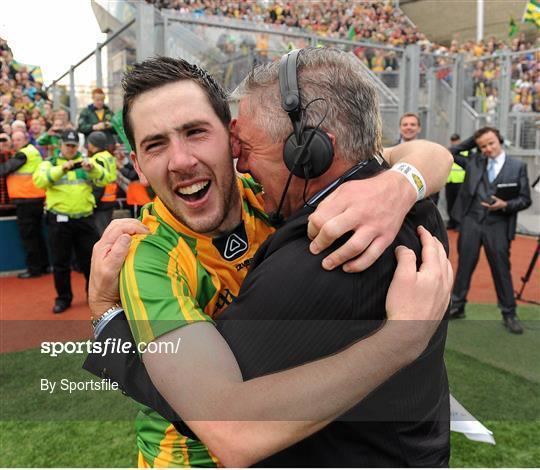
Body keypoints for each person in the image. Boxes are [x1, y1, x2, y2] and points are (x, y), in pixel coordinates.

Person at [85, 52, 453, 467]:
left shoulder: (271, 189)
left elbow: (431, 153)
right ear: (137, 165)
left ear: (231, 137)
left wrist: (399, 185)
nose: (182, 160)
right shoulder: (149, 257)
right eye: (155, 144)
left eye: (196, 132)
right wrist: (106, 321)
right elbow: (228, 430)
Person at [448, 126, 532, 334]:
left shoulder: (517, 166)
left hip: (498, 224)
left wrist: (505, 205)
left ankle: (509, 313)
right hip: (471, 221)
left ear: (500, 140)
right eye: (483, 145)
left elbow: (525, 199)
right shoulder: (474, 161)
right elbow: (451, 152)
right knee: (465, 265)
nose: (487, 148)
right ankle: (457, 306)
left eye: (491, 143)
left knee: (501, 269)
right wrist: (473, 140)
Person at [33, 130, 108, 313]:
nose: (70, 149)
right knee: (60, 263)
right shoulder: (49, 163)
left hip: (84, 219)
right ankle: (63, 298)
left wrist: (94, 169)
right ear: (61, 145)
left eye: (74, 146)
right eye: (67, 145)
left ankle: (94, 298)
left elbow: (105, 178)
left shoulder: (85, 163)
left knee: (91, 262)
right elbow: (39, 181)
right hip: (59, 220)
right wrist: (62, 169)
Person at [0, 130, 49, 278]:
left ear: (26, 139)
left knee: (29, 236)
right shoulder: (33, 151)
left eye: (18, 139)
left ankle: (34, 269)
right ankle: (44, 266)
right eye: (14, 140)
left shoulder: (24, 153)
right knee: (37, 235)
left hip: (26, 200)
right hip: (35, 199)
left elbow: (5, 169)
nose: (15, 142)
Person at [87, 131, 117, 235]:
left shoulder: (97, 159)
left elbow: (99, 182)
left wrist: (93, 202)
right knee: (107, 228)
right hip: (110, 196)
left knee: (101, 231)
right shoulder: (108, 155)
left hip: (101, 198)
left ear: (93, 144)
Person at [445, 133, 467, 230]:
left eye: (457, 141)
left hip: (461, 182)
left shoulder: (465, 152)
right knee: (450, 203)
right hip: (450, 181)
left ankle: (459, 223)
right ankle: (451, 222)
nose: (455, 143)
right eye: (453, 141)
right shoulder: (448, 151)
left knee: (459, 204)